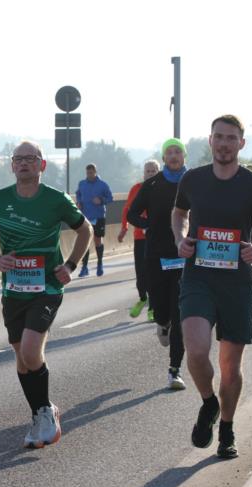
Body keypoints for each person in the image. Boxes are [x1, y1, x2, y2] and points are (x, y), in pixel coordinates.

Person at [173, 115, 252, 459]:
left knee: (230, 368)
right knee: (195, 350)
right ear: (210, 141)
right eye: (218, 137)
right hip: (198, 276)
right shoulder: (193, 179)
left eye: (231, 138)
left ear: (241, 144)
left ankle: (227, 428)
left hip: (236, 282)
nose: (224, 143)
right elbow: (178, 214)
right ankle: (209, 404)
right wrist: (180, 238)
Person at [0, 141, 92, 448]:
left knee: (30, 350)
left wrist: (71, 264)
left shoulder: (56, 200)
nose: (24, 163)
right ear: (12, 165)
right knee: (20, 355)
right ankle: (41, 412)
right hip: (13, 288)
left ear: (42, 165)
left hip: (47, 286)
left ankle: (45, 416)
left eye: (31, 159)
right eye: (19, 159)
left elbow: (86, 230)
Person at [128, 140, 189, 391]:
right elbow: (132, 213)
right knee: (163, 311)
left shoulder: (194, 181)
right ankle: (161, 323)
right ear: (164, 157)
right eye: (169, 152)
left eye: (178, 152)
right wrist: (147, 226)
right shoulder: (152, 184)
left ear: (184, 156)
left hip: (185, 255)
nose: (174, 156)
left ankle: (174, 370)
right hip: (157, 254)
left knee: (181, 313)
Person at [120, 160, 160, 321]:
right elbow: (127, 210)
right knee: (140, 274)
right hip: (140, 237)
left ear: (158, 171)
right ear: (143, 173)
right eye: (148, 171)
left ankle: (153, 308)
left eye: (153, 171)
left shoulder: (163, 189)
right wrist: (124, 228)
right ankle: (143, 298)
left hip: (157, 237)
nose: (150, 173)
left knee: (153, 273)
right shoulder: (136, 189)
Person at [75, 164, 113, 277]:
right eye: (87, 173)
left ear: (95, 172)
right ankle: (84, 267)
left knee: (97, 239)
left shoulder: (103, 185)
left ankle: (100, 264)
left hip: (98, 216)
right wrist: (79, 202)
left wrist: (101, 200)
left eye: (91, 173)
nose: (89, 175)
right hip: (85, 216)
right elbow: (78, 194)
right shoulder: (82, 183)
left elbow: (110, 198)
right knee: (85, 240)